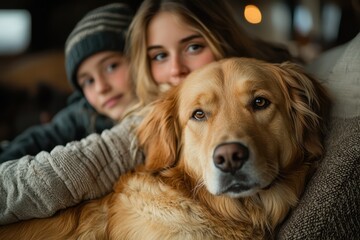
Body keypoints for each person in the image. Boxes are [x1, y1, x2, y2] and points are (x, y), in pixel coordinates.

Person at [0, 0, 293, 225]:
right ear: (143, 63)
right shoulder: (153, 114)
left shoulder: (273, 79)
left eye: (193, 46)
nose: (175, 69)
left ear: (221, 37)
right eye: (160, 56)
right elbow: (63, 173)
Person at [0, 3, 137, 163]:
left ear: (139, 58)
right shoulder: (84, 114)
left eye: (111, 66)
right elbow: (40, 138)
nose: (101, 88)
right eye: (88, 81)